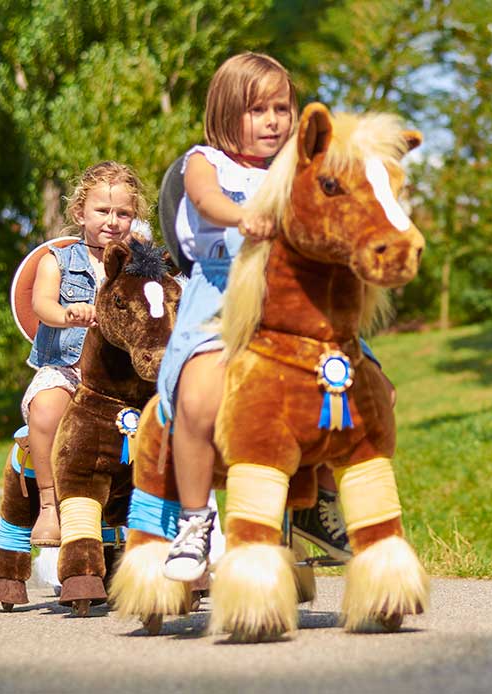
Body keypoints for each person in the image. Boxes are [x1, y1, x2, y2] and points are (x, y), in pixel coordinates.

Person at [160, 53, 356, 582]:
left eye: (281, 107)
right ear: (226, 114)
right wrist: (243, 215)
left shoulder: (297, 169)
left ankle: (318, 504)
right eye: (256, 110)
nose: (273, 120)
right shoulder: (204, 161)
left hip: (289, 295)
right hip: (223, 289)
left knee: (355, 385)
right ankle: (196, 522)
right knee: (198, 397)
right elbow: (206, 201)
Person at [21, 161, 149, 546]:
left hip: (119, 382)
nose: (113, 221)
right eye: (102, 211)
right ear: (79, 213)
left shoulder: (137, 266)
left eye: (123, 213)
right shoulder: (57, 261)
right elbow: (41, 304)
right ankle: (49, 504)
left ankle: (154, 506)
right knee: (44, 407)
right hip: (69, 370)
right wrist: (66, 315)